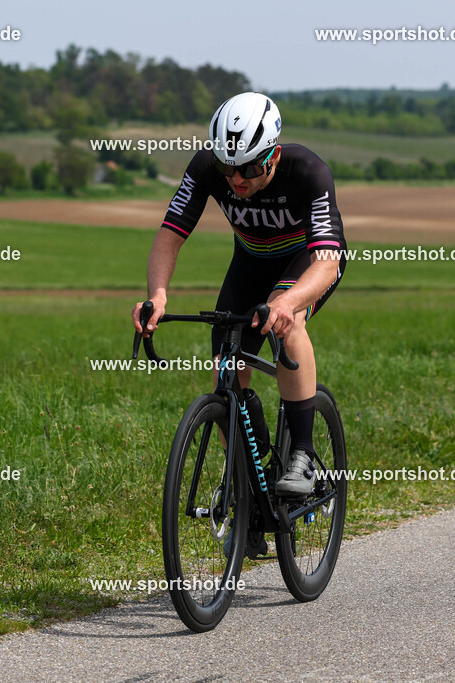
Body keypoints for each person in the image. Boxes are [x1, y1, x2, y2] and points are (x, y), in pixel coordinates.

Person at [132, 91, 347, 499]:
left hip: (307, 263)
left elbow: (327, 261)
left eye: (249, 167)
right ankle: (248, 483)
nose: (236, 179)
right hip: (250, 263)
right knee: (224, 368)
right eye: (227, 167)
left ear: (273, 153)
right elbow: (169, 236)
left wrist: (287, 301)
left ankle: (301, 454)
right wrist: (157, 297)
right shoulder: (206, 168)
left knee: (288, 323)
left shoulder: (309, 172)